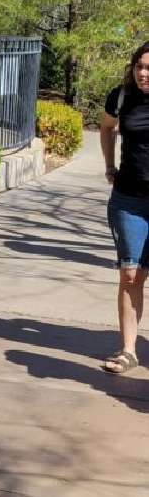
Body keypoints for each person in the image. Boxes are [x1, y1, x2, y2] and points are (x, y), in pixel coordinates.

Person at [99, 41, 149, 374]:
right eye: (139, 66)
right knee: (131, 274)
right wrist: (109, 165)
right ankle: (128, 350)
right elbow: (106, 127)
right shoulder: (121, 97)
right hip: (129, 199)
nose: (143, 73)